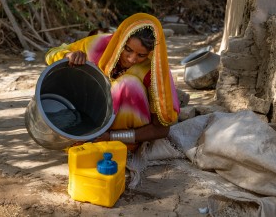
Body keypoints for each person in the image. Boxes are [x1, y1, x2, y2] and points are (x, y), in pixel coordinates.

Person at [45, 13, 180, 151]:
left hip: (126, 138)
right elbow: (51, 54)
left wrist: (112, 136)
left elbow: (161, 130)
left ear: (150, 53)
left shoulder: (153, 72)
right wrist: (69, 55)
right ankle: (87, 137)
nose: (132, 59)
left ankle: (111, 143)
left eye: (141, 55)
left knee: (128, 85)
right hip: (88, 119)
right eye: (128, 49)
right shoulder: (98, 46)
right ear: (120, 41)